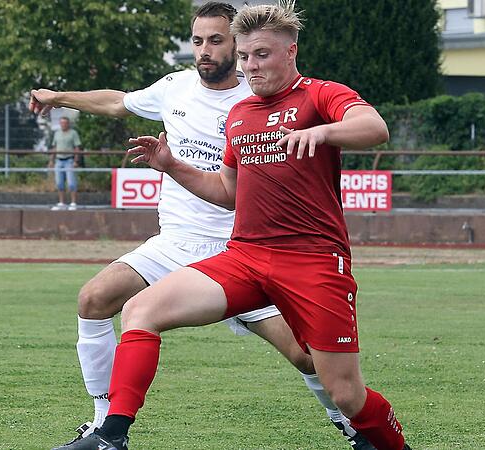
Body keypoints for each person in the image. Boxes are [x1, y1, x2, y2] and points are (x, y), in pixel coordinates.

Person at [57, 2, 413, 450]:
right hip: (244, 256)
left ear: (290, 52)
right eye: (245, 55)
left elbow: (373, 126)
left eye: (261, 54)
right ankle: (110, 435)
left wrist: (322, 132)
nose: (251, 65)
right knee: (139, 311)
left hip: (312, 261)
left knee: (346, 392)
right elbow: (227, 190)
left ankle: (377, 438)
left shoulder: (320, 94)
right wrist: (171, 166)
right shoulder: (242, 113)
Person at [49, 116, 82, 210]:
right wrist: (51, 160)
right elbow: (54, 147)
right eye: (61, 123)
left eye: (65, 123)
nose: (63, 124)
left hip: (69, 160)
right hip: (58, 160)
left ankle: (73, 202)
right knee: (59, 183)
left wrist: (76, 161)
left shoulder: (73, 133)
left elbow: (77, 148)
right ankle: (61, 202)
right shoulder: (57, 133)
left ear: (68, 124)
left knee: (72, 183)